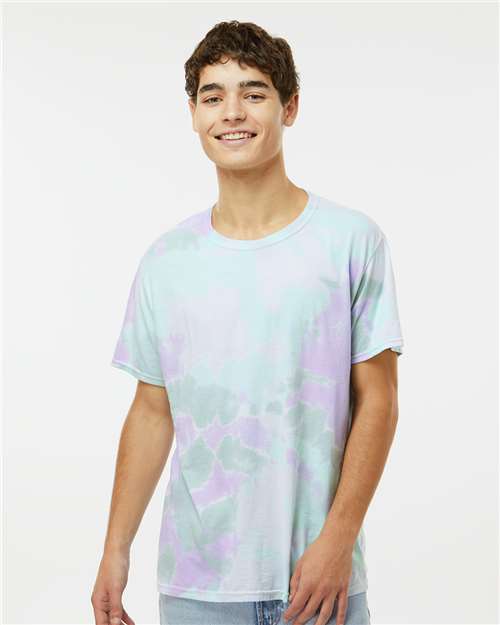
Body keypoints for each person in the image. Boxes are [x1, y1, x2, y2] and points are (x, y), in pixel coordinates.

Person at [91, 20, 404, 625]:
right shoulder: (167, 261)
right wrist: (115, 549)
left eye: (253, 93)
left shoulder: (349, 242)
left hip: (320, 581)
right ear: (193, 114)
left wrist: (339, 541)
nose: (232, 112)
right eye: (213, 97)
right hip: (197, 590)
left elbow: (380, 402)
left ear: (290, 107)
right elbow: (153, 410)